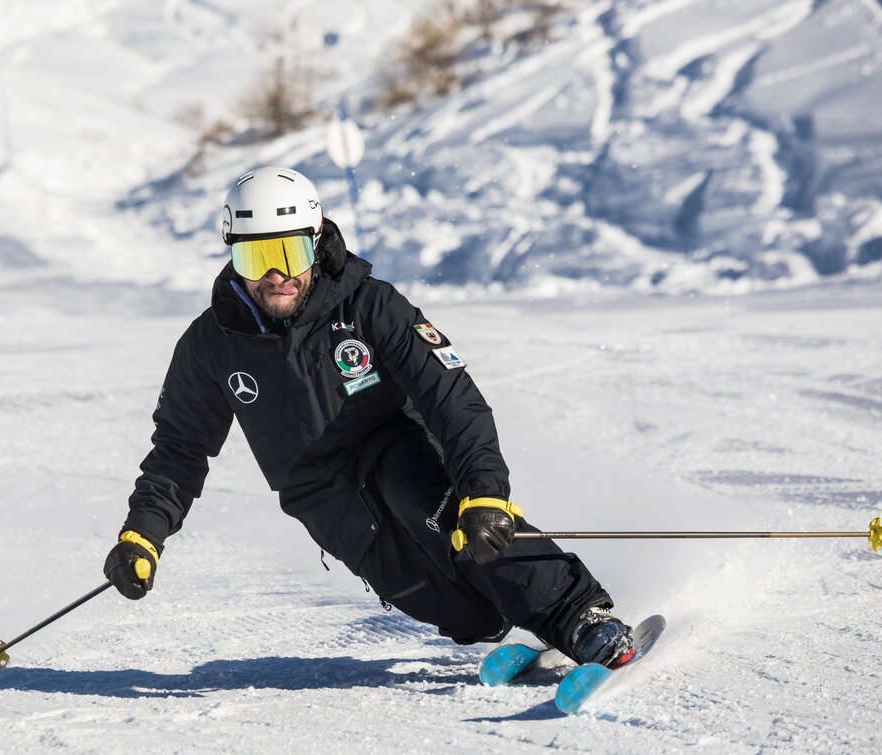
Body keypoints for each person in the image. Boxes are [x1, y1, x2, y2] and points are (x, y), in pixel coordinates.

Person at [102, 166, 635, 667]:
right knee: (464, 614)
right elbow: (180, 448)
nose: (275, 275)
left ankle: (574, 616)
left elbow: (451, 395)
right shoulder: (211, 345)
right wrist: (142, 535)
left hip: (391, 443)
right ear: (231, 256)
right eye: (254, 259)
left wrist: (485, 491)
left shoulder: (369, 307)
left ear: (316, 243)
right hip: (319, 495)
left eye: (289, 252)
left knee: (451, 519)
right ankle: (495, 614)